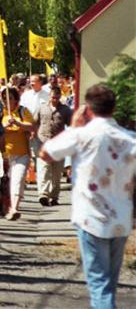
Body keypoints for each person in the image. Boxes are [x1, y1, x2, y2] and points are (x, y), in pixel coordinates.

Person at [40, 84, 136, 309]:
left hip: (90, 216)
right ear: (113, 108)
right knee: (109, 284)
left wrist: (73, 127)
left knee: (99, 285)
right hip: (121, 217)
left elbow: (46, 153)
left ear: (88, 109)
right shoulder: (130, 138)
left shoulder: (82, 135)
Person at [1, 87, 36, 220]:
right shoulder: (0, 112)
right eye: (4, 98)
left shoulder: (23, 111)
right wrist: (4, 126)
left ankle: (14, 208)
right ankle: (6, 205)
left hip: (22, 153)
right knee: (8, 182)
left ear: (16, 99)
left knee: (18, 179)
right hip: (3, 154)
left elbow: (32, 127)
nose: (7, 101)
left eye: (10, 97)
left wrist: (17, 123)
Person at [34, 86, 72, 207]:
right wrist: (33, 134)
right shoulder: (41, 108)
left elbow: (71, 125)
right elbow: (35, 122)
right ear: (49, 97)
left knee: (56, 173)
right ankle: (43, 195)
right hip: (43, 142)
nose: (54, 100)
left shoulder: (65, 110)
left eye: (56, 97)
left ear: (60, 97)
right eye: (52, 97)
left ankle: (54, 196)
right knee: (43, 170)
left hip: (58, 145)